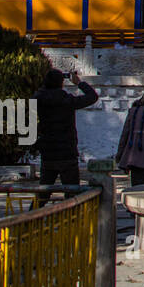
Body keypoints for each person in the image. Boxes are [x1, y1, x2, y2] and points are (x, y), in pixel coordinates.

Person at [34, 69, 98, 197]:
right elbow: (92, 97)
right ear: (61, 83)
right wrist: (79, 83)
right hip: (67, 153)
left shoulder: (38, 99)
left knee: (43, 193)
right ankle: (72, 216)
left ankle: (32, 216)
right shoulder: (67, 101)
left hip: (48, 152)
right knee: (72, 193)